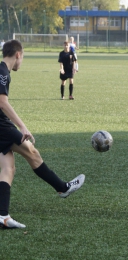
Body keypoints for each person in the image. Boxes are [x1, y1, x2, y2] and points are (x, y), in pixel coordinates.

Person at [0, 40, 85, 229]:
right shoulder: (3, 72)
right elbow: (2, 103)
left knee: (8, 168)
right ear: (18, 55)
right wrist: (22, 126)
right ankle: (63, 188)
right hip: (2, 127)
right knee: (32, 152)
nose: (21, 63)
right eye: (23, 58)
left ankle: (3, 216)